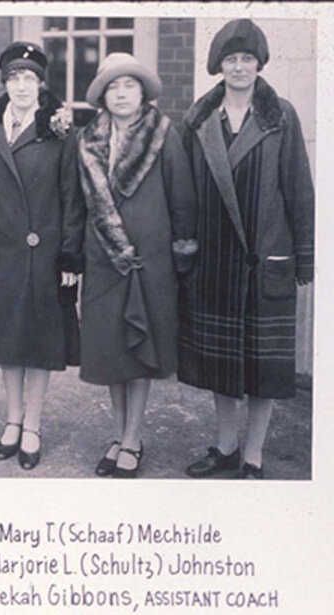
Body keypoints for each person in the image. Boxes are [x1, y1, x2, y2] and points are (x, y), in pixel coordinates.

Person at [179, 19, 314, 479]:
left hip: (264, 260)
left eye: (248, 59)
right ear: (219, 65)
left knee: (263, 367)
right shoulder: (198, 120)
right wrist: (184, 248)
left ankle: (254, 454)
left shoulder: (281, 117)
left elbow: (300, 189)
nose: (239, 67)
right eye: (231, 59)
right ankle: (225, 446)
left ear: (259, 65)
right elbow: (184, 193)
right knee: (219, 363)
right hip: (214, 260)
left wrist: (305, 254)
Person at [77, 53, 197, 478]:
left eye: (129, 85)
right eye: (113, 86)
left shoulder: (164, 135)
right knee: (111, 351)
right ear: (103, 96)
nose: (121, 93)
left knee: (138, 347)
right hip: (103, 260)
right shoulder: (88, 139)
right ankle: (117, 434)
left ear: (142, 92)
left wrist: (182, 249)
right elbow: (82, 204)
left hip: (148, 260)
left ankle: (133, 438)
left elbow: (182, 197)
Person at [0, 42, 84, 470]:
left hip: (43, 252)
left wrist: (69, 258)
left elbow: (72, 198)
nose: (21, 86)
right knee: (8, 340)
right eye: (13, 78)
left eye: (29, 78)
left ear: (41, 84)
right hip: (1, 251)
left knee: (41, 342)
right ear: (5, 83)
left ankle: (34, 425)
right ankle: (12, 419)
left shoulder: (59, 130)